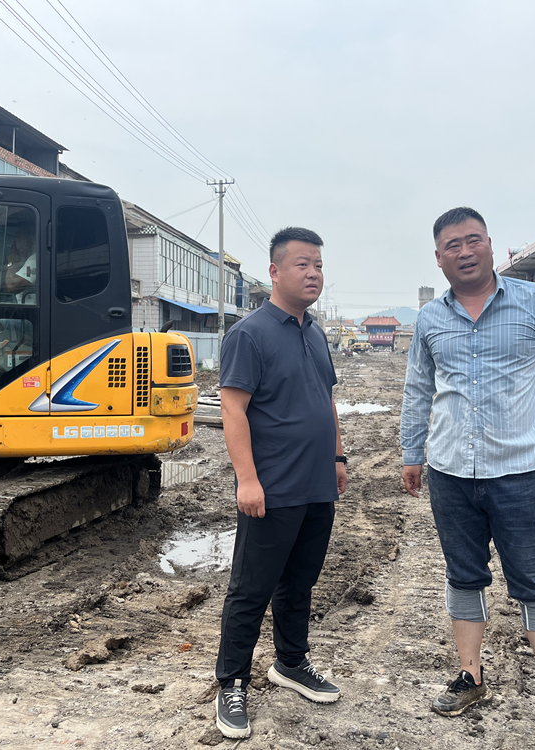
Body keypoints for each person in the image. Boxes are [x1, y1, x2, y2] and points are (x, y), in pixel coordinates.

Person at [400, 208, 535, 750]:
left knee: (534, 579)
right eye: (452, 245)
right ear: (439, 258)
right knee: (464, 576)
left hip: (518, 473)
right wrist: (412, 452)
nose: (465, 252)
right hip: (450, 472)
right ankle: (470, 676)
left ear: (489, 244)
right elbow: (419, 387)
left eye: (473, 240)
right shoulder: (430, 319)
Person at [214, 227, 347, 739]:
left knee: (300, 583)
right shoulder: (249, 334)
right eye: (302, 265)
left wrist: (337, 456)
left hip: (317, 485)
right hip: (271, 489)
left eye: (319, 265)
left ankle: (291, 662)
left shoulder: (314, 333)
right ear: (274, 272)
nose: (314, 274)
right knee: (251, 588)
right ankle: (232, 682)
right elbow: (233, 409)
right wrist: (247, 479)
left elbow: (326, 399)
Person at [5, 226, 37, 304]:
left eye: (18, 237)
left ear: (30, 239)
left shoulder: (35, 259)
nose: (14, 242)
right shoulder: (23, 260)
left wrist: (11, 262)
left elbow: (12, 286)